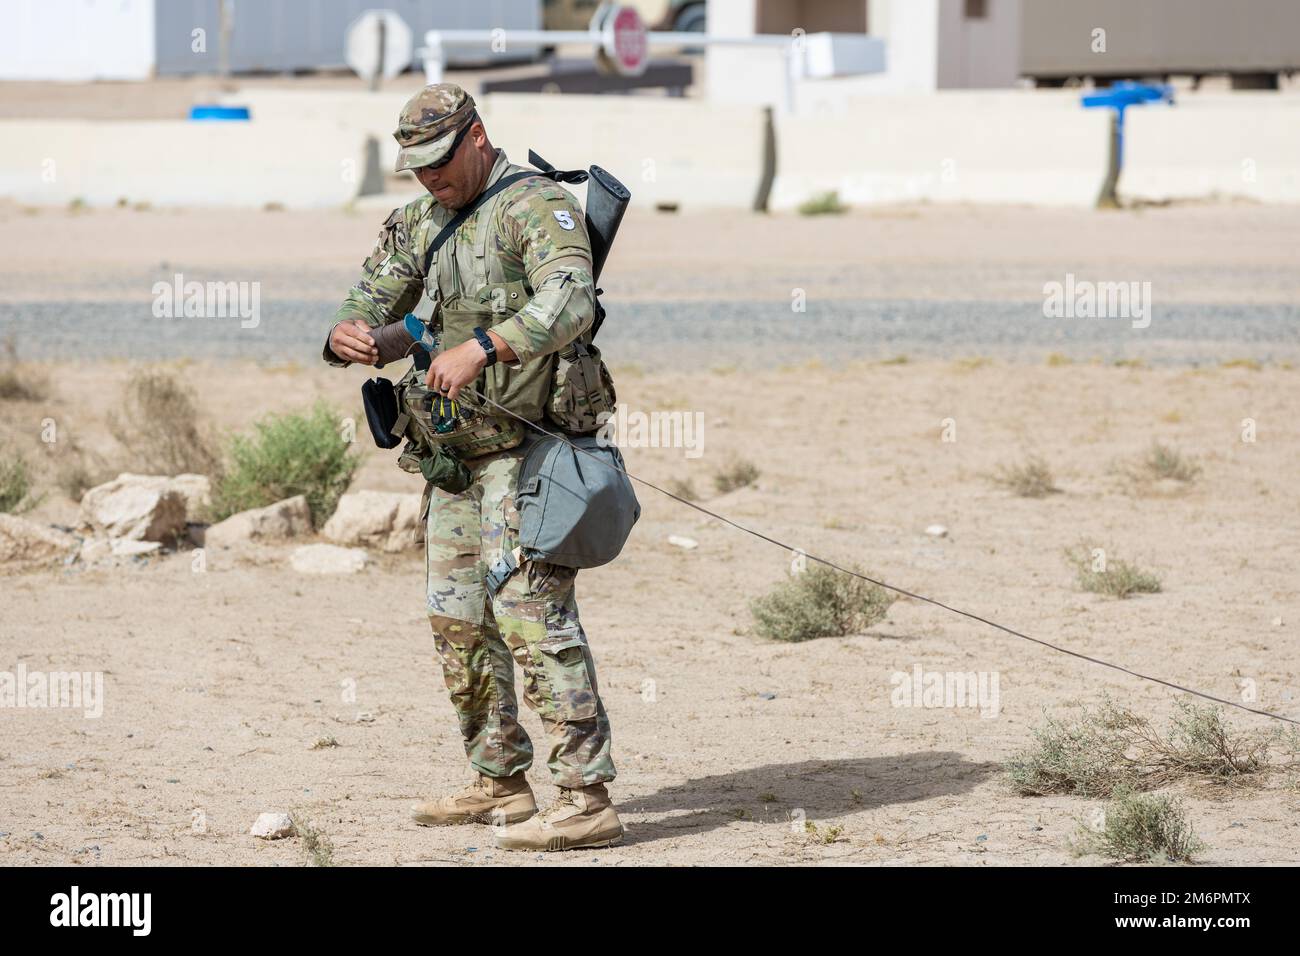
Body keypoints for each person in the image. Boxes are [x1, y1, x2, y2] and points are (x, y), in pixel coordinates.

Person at [323, 83, 622, 852]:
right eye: (416, 167)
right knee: (459, 620)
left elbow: (572, 301)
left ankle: (586, 796)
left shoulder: (534, 206)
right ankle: (500, 779)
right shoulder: (420, 219)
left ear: (477, 137)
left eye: (440, 161)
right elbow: (372, 297)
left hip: (531, 450)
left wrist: (484, 346)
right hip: (454, 454)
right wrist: (354, 333)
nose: (430, 178)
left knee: (532, 615)